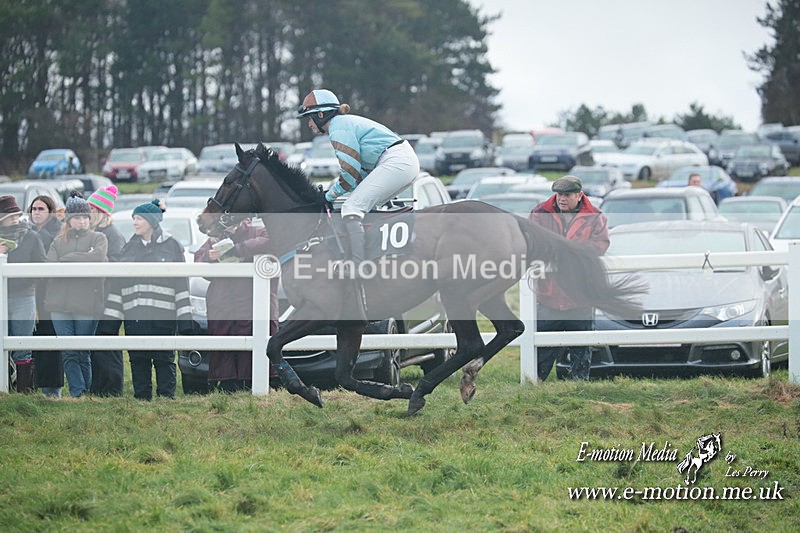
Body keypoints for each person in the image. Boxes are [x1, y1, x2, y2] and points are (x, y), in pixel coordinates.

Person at [296, 89, 419, 273]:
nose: (309, 124)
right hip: (401, 160)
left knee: (351, 208)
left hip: (397, 161)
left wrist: (329, 196)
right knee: (362, 205)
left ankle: (358, 265)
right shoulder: (343, 124)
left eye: (310, 118)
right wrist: (335, 192)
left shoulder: (338, 128)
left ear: (321, 115)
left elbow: (350, 172)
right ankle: (375, 256)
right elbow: (357, 175)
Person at [101, 199, 193, 400]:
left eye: (139, 218)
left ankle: (165, 401)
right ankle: (141, 401)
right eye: (134, 218)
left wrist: (185, 321)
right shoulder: (129, 247)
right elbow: (118, 286)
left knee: (164, 360)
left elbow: (181, 285)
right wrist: (110, 323)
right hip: (135, 317)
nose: (135, 222)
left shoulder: (172, 245)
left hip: (163, 317)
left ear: (152, 221)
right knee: (138, 360)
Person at [529, 176, 610, 381]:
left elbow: (600, 245)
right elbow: (533, 243)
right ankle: (534, 386)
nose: (562, 199)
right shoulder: (539, 213)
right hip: (548, 294)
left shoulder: (595, 216)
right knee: (542, 350)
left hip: (580, 295)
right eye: (559, 194)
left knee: (581, 348)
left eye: (567, 195)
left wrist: (567, 252)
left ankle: (578, 387)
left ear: (579, 195)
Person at [194, 218, 279, 392]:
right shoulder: (215, 239)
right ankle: (227, 385)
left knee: (255, 337)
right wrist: (209, 257)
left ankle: (258, 383)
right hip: (223, 303)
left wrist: (240, 249)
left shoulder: (258, 231)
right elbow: (199, 264)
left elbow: (274, 241)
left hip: (254, 301)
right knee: (224, 339)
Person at [45, 192, 108, 397]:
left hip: (86, 303)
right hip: (59, 303)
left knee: (83, 351)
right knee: (68, 351)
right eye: (78, 217)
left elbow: (98, 257)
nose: (82, 221)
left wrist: (67, 259)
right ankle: (78, 392)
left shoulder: (99, 238)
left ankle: (84, 393)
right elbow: (50, 266)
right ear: (69, 219)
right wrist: (83, 257)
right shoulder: (57, 241)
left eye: (85, 217)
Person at [0, 196, 46, 393]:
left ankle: (24, 392)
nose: (15, 219)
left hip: (23, 297)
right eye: (10, 216)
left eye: (16, 215)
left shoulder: (31, 237)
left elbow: (42, 266)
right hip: (1, 296)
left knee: (22, 344)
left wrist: (26, 281)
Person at [87, 185, 125, 396]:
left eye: (91, 209)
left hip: (109, 297)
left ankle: (112, 389)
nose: (88, 213)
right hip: (96, 296)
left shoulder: (113, 235)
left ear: (101, 212)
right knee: (97, 343)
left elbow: (116, 266)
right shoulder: (95, 233)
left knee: (107, 341)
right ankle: (99, 388)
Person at [28, 195, 64, 397]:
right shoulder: (30, 232)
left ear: (50, 211)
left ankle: (52, 390)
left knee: (50, 340)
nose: (36, 212)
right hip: (32, 292)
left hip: (50, 294)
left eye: (41, 209)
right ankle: (31, 387)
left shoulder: (56, 233)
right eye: (34, 209)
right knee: (32, 340)